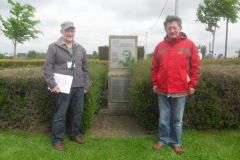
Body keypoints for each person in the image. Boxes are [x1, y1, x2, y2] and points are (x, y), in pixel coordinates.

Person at [151, 15, 201, 155]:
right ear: (165, 30)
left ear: (180, 28)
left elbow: (196, 67)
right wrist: (155, 83)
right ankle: (163, 140)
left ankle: (176, 142)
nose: (172, 30)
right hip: (162, 89)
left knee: (177, 120)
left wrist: (192, 84)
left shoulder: (189, 44)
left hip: (180, 89)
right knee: (163, 119)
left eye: (174, 27)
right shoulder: (160, 46)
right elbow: (155, 67)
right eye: (169, 28)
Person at [43, 21, 89, 151]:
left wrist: (86, 85)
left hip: (79, 86)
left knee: (77, 113)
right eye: (67, 31)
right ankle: (57, 140)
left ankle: (74, 135)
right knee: (60, 114)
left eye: (72, 31)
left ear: (74, 32)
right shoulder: (53, 47)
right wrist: (52, 84)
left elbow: (85, 69)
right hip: (62, 87)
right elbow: (47, 68)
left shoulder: (81, 48)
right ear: (61, 32)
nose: (70, 33)